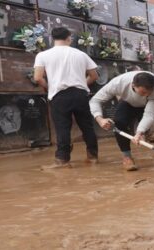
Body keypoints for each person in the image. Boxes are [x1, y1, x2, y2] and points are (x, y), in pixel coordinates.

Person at [33, 27, 99, 168]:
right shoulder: (81, 54)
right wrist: (81, 84)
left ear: (52, 38)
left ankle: (63, 160)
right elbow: (94, 76)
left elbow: (38, 78)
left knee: (62, 127)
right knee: (87, 126)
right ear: (69, 38)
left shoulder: (43, 55)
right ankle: (93, 156)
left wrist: (49, 87)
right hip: (80, 95)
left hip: (59, 95)